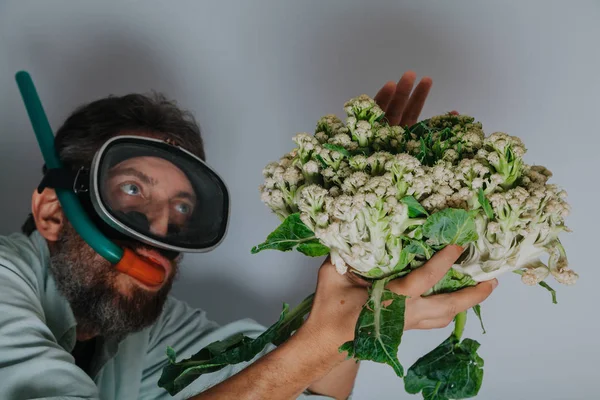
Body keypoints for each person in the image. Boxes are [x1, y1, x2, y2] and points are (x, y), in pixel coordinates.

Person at [0, 71, 497, 400]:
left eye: (182, 208)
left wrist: (361, 247)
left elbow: (307, 389)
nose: (160, 229)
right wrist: (325, 342)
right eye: (131, 189)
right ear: (52, 213)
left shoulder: (150, 327)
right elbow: (300, 365)